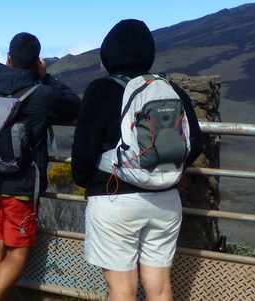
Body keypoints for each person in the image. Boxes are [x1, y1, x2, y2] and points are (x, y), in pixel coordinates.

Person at [72, 19, 202, 301]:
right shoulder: (172, 90)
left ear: (108, 52)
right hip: (165, 200)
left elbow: (84, 149)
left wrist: (86, 182)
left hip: (114, 198)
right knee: (160, 287)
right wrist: (163, 172)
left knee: (122, 288)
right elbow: (195, 144)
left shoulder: (101, 90)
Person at [0, 33, 80, 301]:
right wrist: (46, 77)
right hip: (21, 186)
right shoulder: (41, 95)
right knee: (17, 251)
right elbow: (75, 106)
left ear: (8, 58)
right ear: (36, 62)